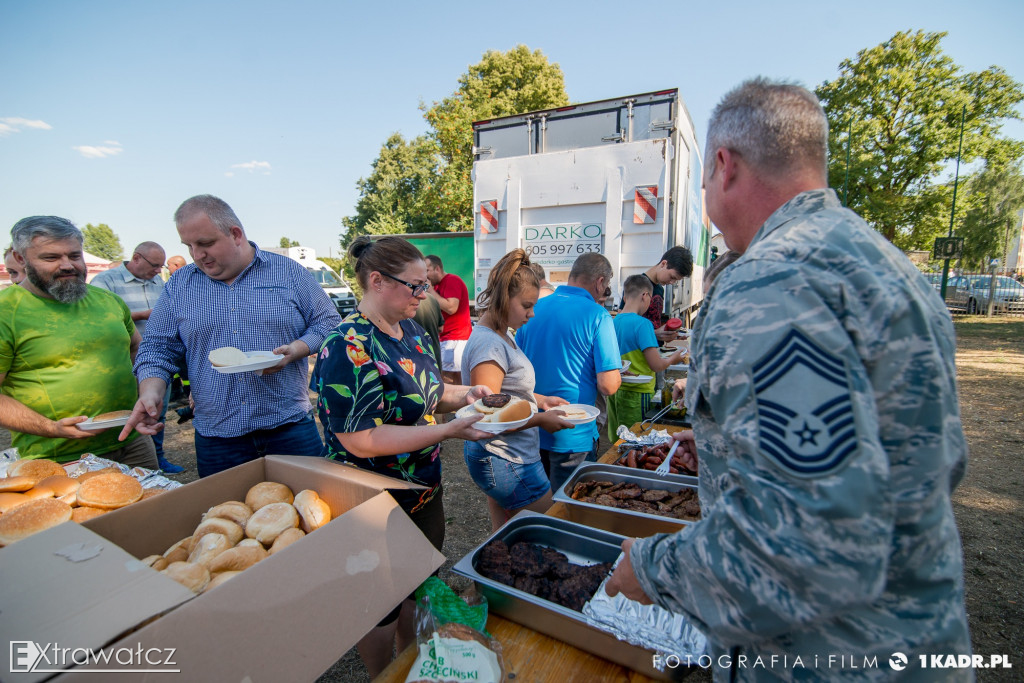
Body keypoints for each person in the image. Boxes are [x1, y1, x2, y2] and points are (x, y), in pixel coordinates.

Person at [605, 78, 971, 680]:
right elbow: (918, 455)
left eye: (702, 185)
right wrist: (728, 445)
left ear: (724, 167)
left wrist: (652, 570)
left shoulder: (770, 280)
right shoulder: (887, 265)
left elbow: (811, 545)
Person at [311, 235, 493, 677]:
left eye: (423, 284)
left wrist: (466, 393)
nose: (424, 293)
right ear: (377, 281)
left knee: (415, 585)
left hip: (423, 491)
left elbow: (428, 393)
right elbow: (360, 439)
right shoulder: (347, 345)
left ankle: (408, 660)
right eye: (414, 286)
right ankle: (381, 673)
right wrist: (448, 430)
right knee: (378, 602)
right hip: (373, 501)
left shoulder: (410, 330)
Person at [124, 195, 341, 477]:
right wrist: (150, 392)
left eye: (205, 243)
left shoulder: (289, 273)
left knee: (312, 512)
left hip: (290, 427)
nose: (197, 254)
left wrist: (298, 349)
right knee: (225, 516)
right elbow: (157, 347)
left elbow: (328, 322)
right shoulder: (179, 284)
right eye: (189, 246)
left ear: (235, 234)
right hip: (218, 437)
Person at [0, 216, 157, 468]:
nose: (67, 265)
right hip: (55, 457)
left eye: (74, 256)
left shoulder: (108, 301)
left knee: (155, 508)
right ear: (21, 259)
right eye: (51, 258)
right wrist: (51, 428)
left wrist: (147, 393)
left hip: (132, 441)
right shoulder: (5, 311)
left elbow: (137, 347)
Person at [462, 249, 575, 531]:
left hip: (506, 457)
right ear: (503, 298)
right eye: (526, 305)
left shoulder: (502, 335)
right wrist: (540, 419)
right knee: (549, 529)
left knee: (507, 537)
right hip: (507, 458)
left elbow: (505, 393)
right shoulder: (490, 345)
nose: (532, 313)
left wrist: (539, 400)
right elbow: (488, 416)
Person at [517, 253, 622, 494]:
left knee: (540, 504)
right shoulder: (598, 315)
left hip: (533, 426)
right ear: (600, 282)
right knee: (572, 507)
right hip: (574, 432)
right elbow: (608, 385)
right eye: (606, 286)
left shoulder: (534, 309)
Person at [91, 241, 183, 473]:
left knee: (156, 411)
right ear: (136, 258)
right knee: (127, 413)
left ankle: (156, 457)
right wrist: (143, 315)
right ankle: (119, 463)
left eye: (161, 266)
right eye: (154, 265)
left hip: (157, 360)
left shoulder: (158, 283)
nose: (157, 270)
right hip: (122, 362)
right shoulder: (106, 281)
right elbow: (98, 318)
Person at [607, 274, 687, 440]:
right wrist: (675, 358)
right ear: (646, 296)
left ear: (624, 296)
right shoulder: (643, 324)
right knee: (636, 439)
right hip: (638, 393)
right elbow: (656, 365)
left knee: (617, 440)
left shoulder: (613, 321)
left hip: (615, 392)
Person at [620, 245, 693, 343]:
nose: (672, 282)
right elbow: (623, 324)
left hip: (654, 348)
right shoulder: (637, 284)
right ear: (663, 264)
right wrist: (655, 334)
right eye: (672, 277)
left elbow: (655, 323)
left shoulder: (660, 289)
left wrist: (671, 335)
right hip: (639, 352)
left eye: (676, 280)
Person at [425, 254, 471, 384]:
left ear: (437, 269)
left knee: (447, 379)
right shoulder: (437, 286)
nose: (425, 275)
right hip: (447, 339)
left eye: (427, 270)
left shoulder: (452, 281)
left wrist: (431, 292)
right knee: (452, 378)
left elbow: (451, 307)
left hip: (455, 339)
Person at [412, 288, 444, 369]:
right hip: (433, 355)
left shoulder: (404, 302)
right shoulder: (432, 298)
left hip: (415, 360)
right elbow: (441, 328)